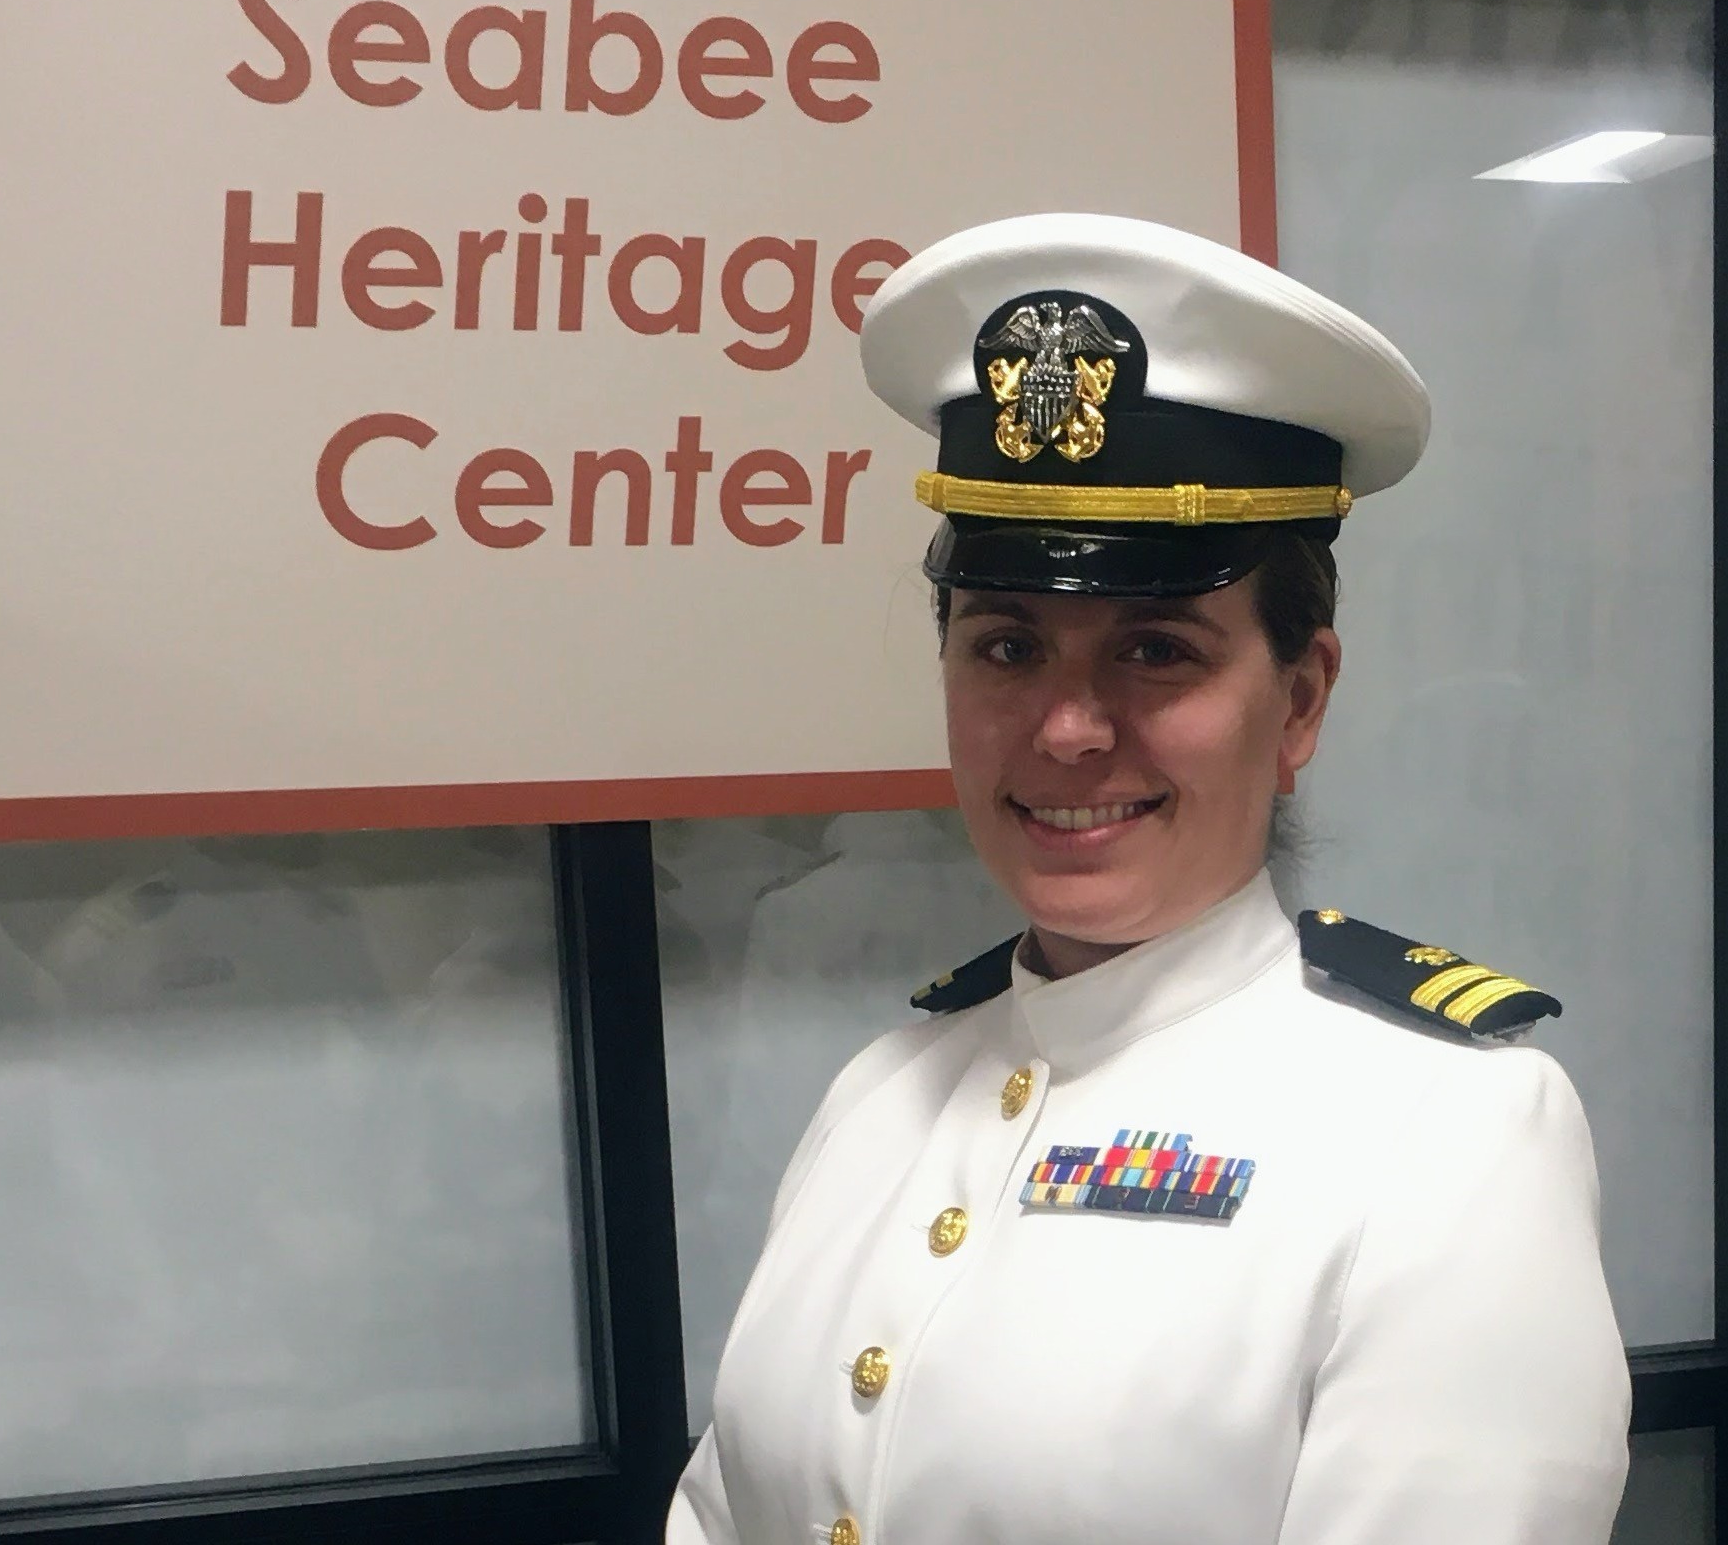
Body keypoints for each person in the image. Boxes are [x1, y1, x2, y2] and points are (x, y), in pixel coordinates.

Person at [668, 213, 1630, 1545]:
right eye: (1007, 649)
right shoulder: (882, 1094)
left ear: (1299, 699)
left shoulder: (1448, 1135)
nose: (1068, 728)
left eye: (1159, 652)